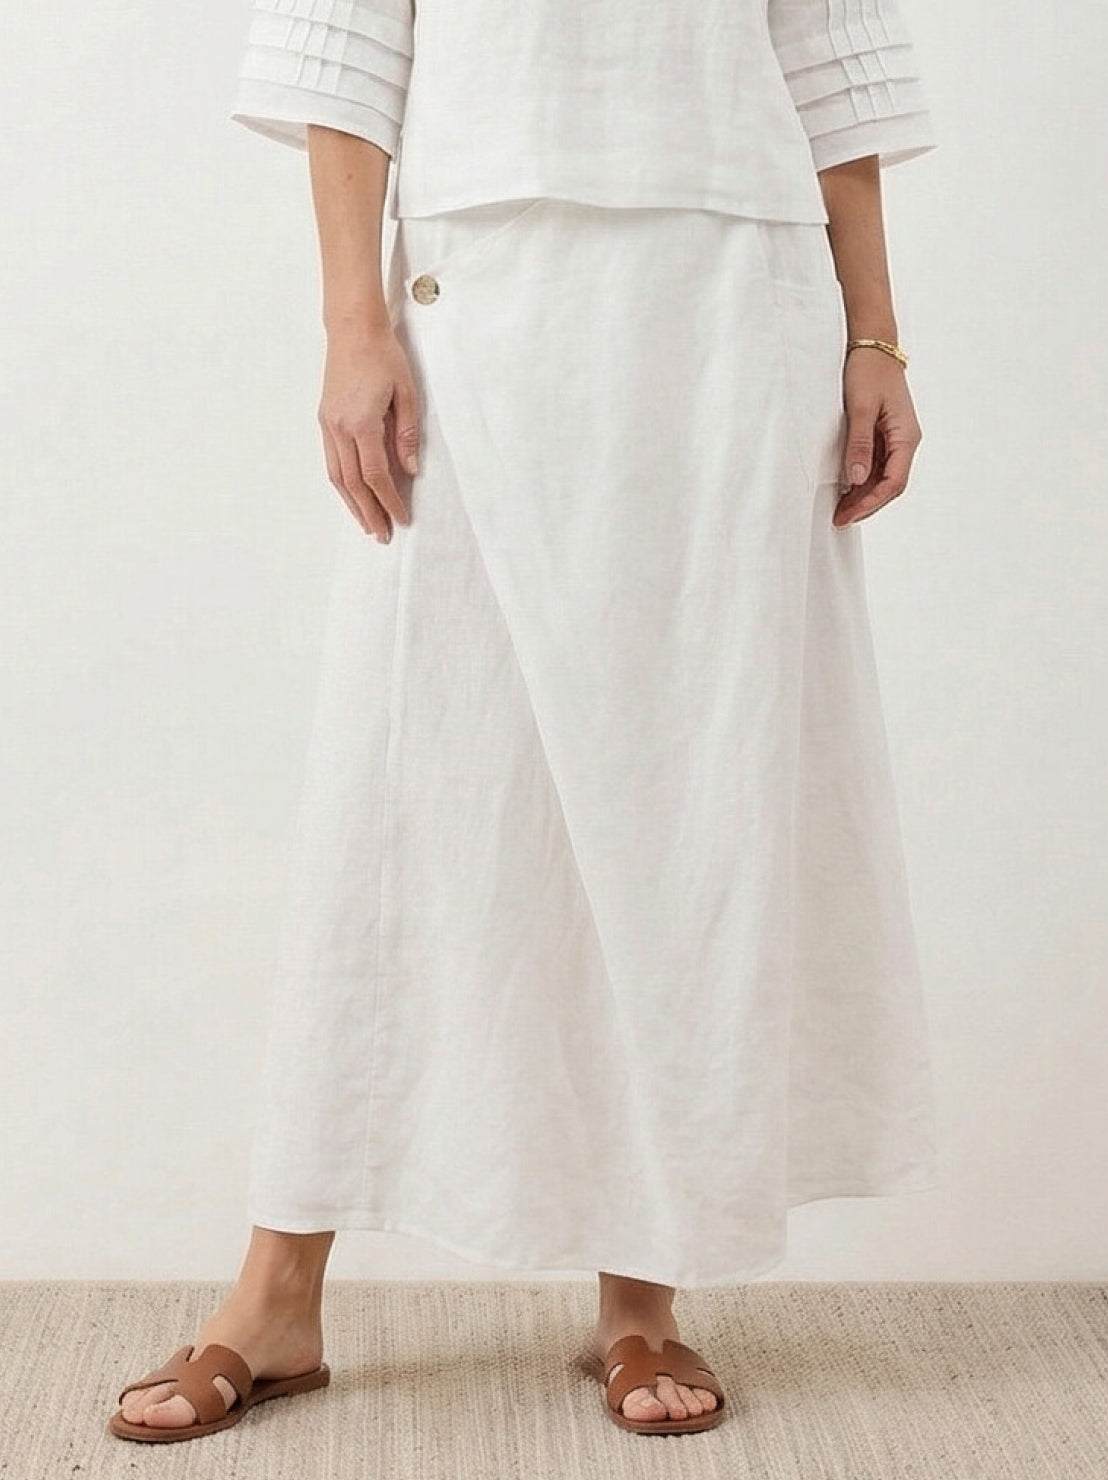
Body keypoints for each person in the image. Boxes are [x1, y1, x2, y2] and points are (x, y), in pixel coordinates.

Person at [109, 0, 939, 1442]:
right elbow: (343, 57)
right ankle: (277, 1292)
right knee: (407, 784)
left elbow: (828, 65)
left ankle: (642, 1289)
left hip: (735, 302)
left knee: (691, 788)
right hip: (477, 299)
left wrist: (877, 337)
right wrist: (352, 323)